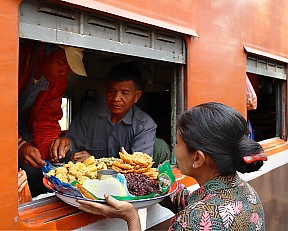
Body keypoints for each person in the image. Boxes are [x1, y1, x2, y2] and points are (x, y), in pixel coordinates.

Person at [76, 102, 267, 231]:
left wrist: (131, 217)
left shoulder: (190, 221)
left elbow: (195, 212)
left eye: (176, 143)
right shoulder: (246, 193)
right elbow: (190, 201)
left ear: (198, 158)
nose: (174, 149)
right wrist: (155, 182)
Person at [18, 40, 87, 196]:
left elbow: (47, 119)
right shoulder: (17, 58)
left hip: (23, 125)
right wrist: (19, 145)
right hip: (6, 124)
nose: (64, 71)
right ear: (43, 52)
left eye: (69, 68)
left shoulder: (57, 81)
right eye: (62, 62)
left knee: (37, 168)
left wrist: (52, 154)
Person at [50, 62, 157, 163]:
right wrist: (65, 145)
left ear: (137, 96)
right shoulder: (89, 114)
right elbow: (73, 145)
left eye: (124, 93)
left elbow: (138, 167)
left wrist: (95, 163)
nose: (116, 98)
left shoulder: (144, 125)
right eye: (111, 91)